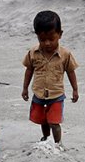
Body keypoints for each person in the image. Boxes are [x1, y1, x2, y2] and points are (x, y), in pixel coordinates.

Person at [21, 10, 79, 149]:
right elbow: (29, 70)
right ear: (37, 36)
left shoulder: (65, 54)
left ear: (60, 34)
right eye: (42, 40)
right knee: (43, 121)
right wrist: (24, 88)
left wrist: (75, 90)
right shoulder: (33, 53)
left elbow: (71, 72)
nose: (47, 43)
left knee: (54, 122)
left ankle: (58, 143)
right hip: (39, 93)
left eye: (51, 39)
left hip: (56, 94)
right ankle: (46, 140)